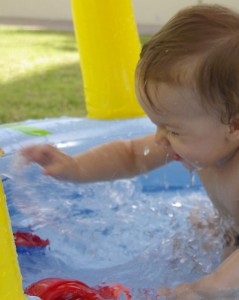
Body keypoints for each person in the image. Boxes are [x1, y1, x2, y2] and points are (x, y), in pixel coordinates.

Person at [21, 4, 239, 299]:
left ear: (234, 125)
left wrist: (210, 286)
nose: (160, 138)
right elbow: (130, 154)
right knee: (193, 240)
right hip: (230, 230)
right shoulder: (197, 141)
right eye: (157, 125)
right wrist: (76, 167)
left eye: (173, 130)